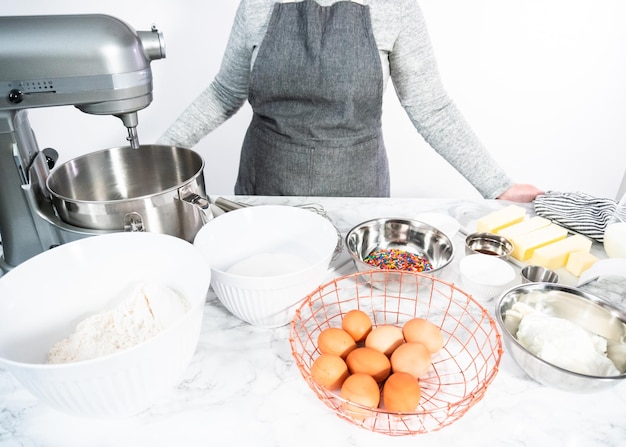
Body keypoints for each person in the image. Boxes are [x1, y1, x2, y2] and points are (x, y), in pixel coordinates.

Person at [158, 0, 543, 202]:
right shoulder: (258, 4)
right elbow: (225, 92)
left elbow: (430, 106)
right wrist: (157, 155)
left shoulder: (395, 7)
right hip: (266, 191)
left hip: (358, 195)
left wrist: (497, 185)